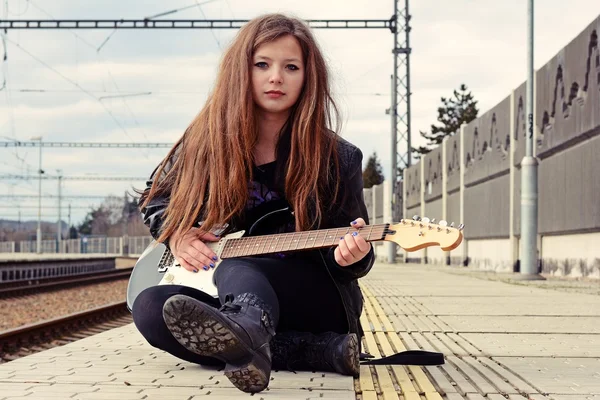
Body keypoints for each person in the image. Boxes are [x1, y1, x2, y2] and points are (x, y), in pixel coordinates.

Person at [131, 13, 375, 394]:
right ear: (240, 72)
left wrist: (353, 255)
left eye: (290, 67)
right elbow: (156, 198)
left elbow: (353, 253)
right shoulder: (206, 143)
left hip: (316, 299)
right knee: (151, 307)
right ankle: (317, 352)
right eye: (262, 64)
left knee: (239, 263)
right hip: (232, 292)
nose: (275, 77)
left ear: (308, 77)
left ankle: (257, 330)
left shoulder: (338, 158)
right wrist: (176, 235)